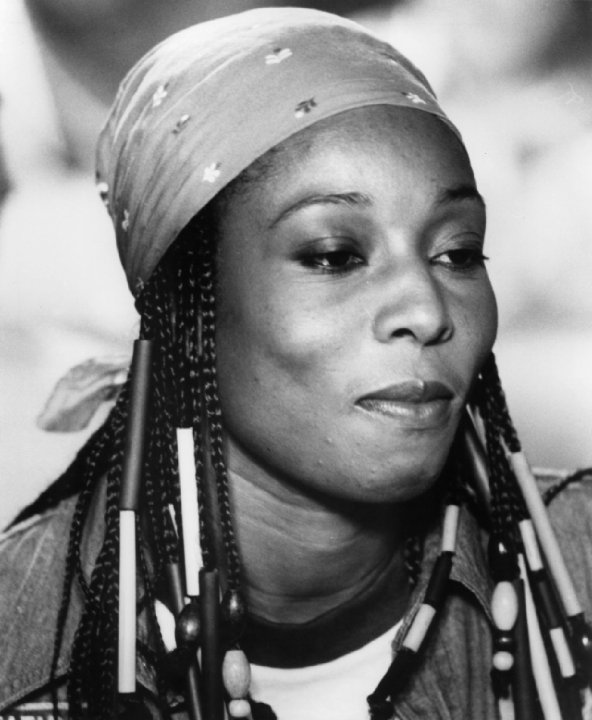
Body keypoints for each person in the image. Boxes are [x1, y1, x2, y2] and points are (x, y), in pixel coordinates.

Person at [0, 7, 591, 720]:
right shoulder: (22, 641)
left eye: (458, 253)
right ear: (187, 305)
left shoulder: (578, 561)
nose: (428, 309)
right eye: (335, 255)